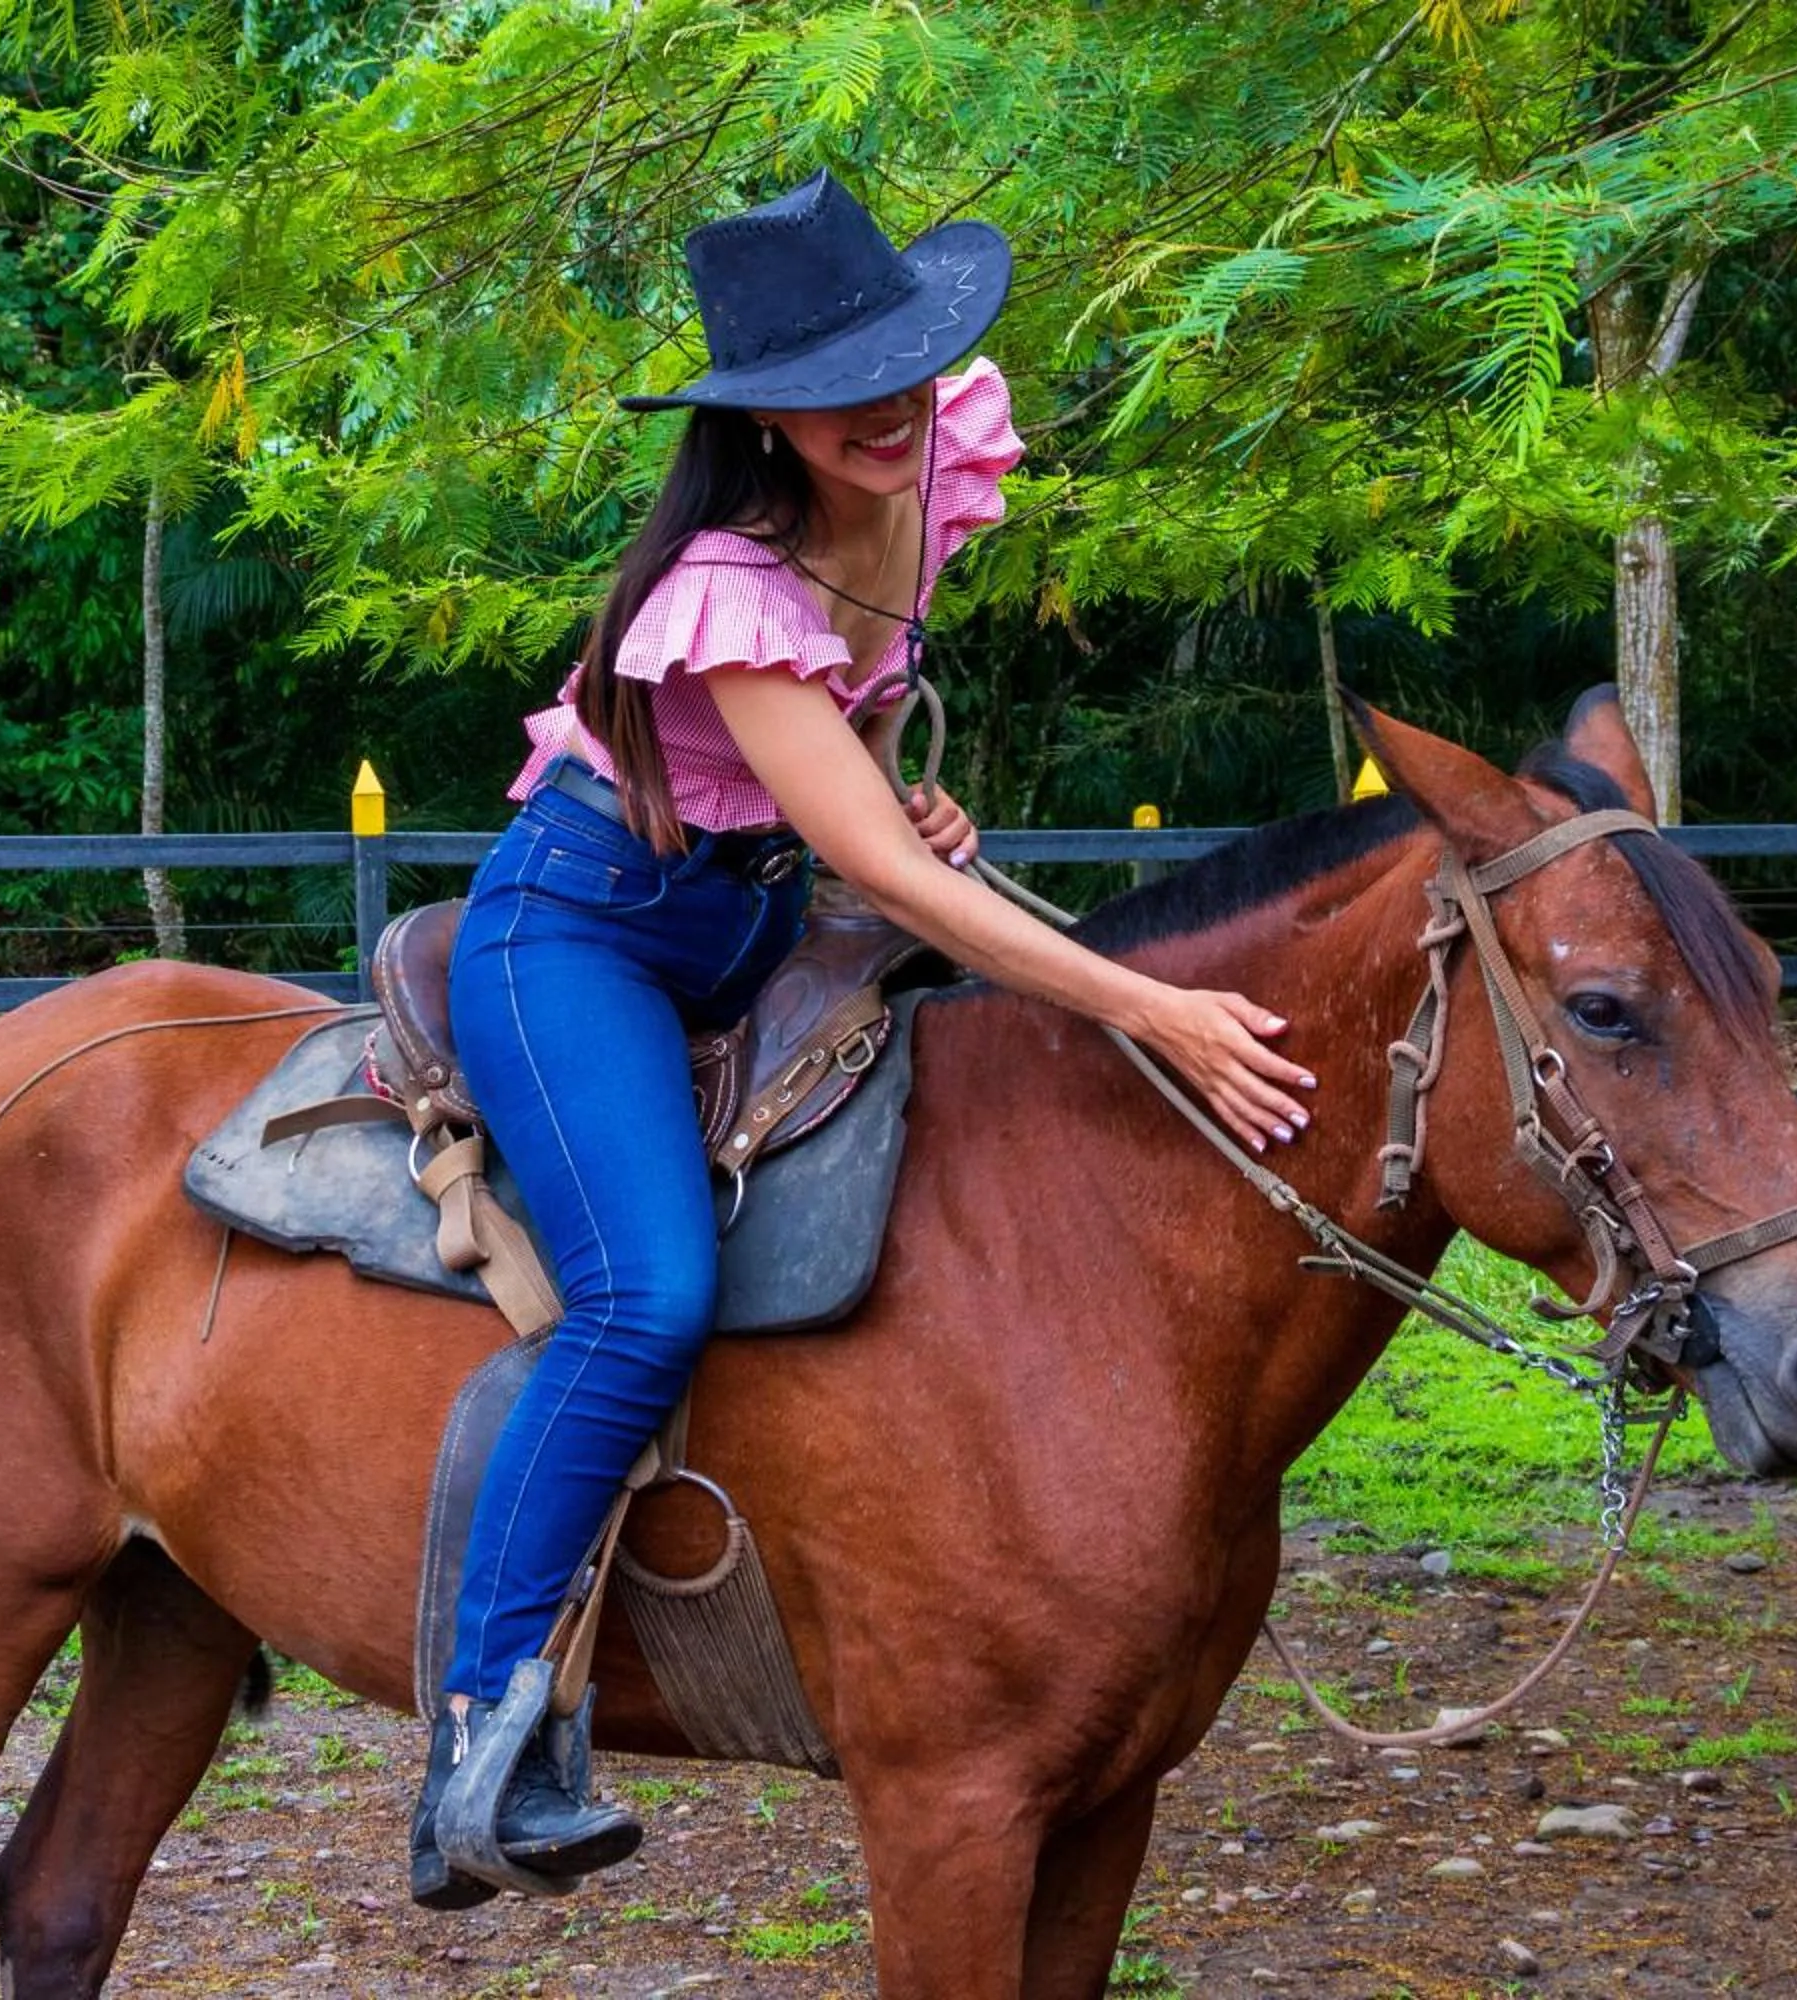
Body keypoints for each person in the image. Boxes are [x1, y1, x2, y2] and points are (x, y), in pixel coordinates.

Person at [413, 170, 1318, 1907]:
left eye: (912, 364)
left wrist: (908, 804)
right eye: (845, 392)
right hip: (586, 929)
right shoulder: (724, 587)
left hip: (762, 910)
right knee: (646, 1291)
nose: (896, 411)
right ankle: (488, 1733)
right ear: (766, 421)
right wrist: (1156, 1008)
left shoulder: (921, 484)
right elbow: (872, 860)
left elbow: (869, 793)